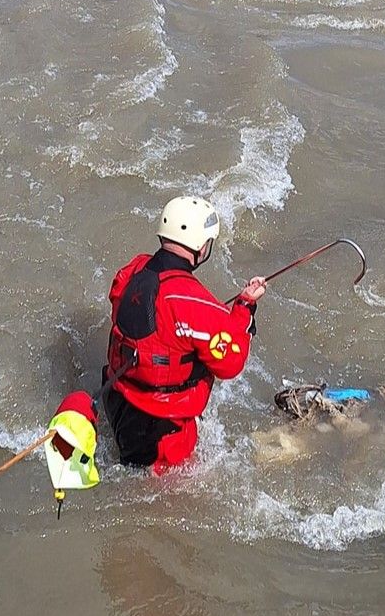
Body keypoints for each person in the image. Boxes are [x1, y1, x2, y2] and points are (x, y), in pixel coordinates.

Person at [98, 196, 266, 473]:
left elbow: (138, 309)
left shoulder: (132, 270)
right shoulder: (196, 303)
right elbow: (230, 363)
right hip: (163, 432)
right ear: (201, 247)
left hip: (117, 401)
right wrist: (245, 307)